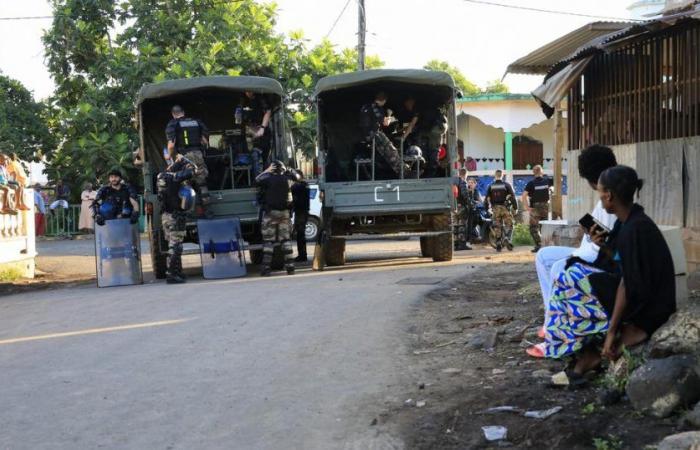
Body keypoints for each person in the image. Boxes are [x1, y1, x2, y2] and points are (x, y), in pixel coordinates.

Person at [544, 165, 676, 383]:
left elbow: (629, 282)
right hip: (638, 293)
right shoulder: (629, 222)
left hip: (648, 308)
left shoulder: (636, 228)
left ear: (609, 195)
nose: (600, 197)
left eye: (600, 192)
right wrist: (603, 245)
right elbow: (619, 259)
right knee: (569, 274)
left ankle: (591, 353)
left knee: (572, 280)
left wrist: (612, 332)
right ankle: (584, 354)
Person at [527, 145, 617, 358]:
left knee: (560, 266)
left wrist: (591, 235)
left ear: (592, 180)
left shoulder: (614, 195)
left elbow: (609, 244)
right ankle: (552, 318)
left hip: (601, 258)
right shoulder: (604, 193)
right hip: (588, 249)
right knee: (544, 256)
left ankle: (557, 334)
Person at [157, 155, 196, 284]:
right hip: (174, 216)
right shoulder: (172, 178)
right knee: (176, 247)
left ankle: (177, 272)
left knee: (172, 246)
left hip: (166, 216)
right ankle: (172, 274)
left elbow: (172, 171)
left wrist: (178, 163)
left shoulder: (162, 177)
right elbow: (191, 172)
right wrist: (185, 162)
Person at [165, 105, 210, 206]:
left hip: (183, 156)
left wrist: (172, 158)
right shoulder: (197, 122)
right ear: (183, 112)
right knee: (201, 180)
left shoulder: (173, 124)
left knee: (185, 182)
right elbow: (204, 141)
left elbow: (171, 145)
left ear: (173, 114)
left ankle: (188, 211)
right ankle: (207, 207)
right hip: (198, 154)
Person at [255, 160, 295, 276]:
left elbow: (256, 181)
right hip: (284, 214)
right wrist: (288, 170)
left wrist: (266, 171)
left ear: (272, 170)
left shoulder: (268, 180)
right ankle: (290, 268)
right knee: (286, 240)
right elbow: (297, 177)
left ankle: (266, 269)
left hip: (271, 213)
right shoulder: (288, 180)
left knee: (268, 241)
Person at [359, 92, 403, 176]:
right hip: (375, 135)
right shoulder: (378, 108)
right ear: (384, 100)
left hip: (365, 136)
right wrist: (390, 116)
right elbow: (385, 123)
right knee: (392, 151)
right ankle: (403, 172)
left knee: (382, 153)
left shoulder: (366, 106)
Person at [521, 165, 553, 253]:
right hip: (545, 206)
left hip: (535, 207)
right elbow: (559, 180)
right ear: (542, 172)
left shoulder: (531, 183)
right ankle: (546, 245)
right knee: (545, 226)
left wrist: (527, 207)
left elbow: (524, 196)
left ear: (533, 173)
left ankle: (539, 245)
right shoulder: (548, 181)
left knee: (533, 228)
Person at [484, 169, 516, 251]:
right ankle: (507, 238)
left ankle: (498, 243)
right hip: (505, 208)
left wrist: (487, 209)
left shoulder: (490, 186)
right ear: (502, 175)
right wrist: (515, 207)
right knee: (510, 224)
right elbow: (513, 196)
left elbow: (487, 199)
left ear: (495, 176)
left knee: (497, 226)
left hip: (495, 208)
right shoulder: (507, 185)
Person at [291, 169, 311, 262]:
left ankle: (303, 255)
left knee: (300, 234)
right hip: (300, 212)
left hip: (302, 212)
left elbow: (295, 188)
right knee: (299, 234)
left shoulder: (303, 185)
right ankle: (302, 254)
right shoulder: (301, 185)